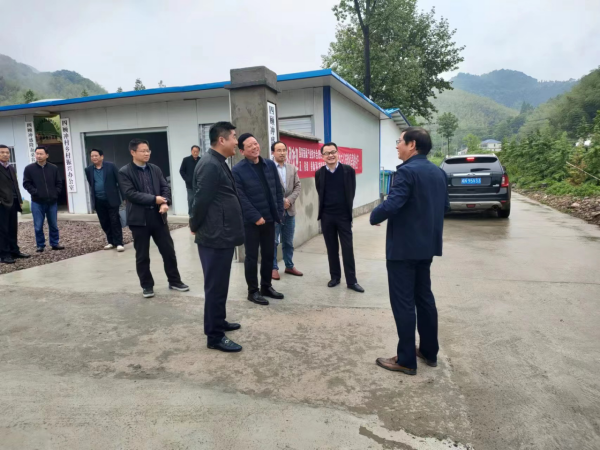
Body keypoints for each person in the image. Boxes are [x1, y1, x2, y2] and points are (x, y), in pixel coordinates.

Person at [370, 127, 449, 376]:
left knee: (403, 302)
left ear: (412, 145)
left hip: (403, 249)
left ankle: (406, 360)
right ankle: (429, 351)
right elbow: (444, 206)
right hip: (426, 247)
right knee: (424, 298)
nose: (397, 146)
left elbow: (393, 203)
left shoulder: (406, 171)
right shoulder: (438, 172)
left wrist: (374, 215)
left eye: (400, 141)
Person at [190, 122, 245, 352]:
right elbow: (200, 200)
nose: (237, 142)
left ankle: (218, 321)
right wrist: (194, 224)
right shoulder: (210, 164)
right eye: (234, 137)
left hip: (222, 234)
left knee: (221, 284)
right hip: (214, 236)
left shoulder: (218, 162)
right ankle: (214, 336)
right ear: (221, 140)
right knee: (214, 286)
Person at [118, 138, 189, 298]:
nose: (146, 153)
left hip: (158, 216)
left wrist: (164, 202)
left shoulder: (155, 169)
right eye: (143, 151)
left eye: (148, 150)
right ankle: (147, 286)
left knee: (168, 251)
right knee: (142, 255)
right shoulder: (125, 172)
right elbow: (130, 194)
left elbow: (165, 187)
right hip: (139, 219)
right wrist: (154, 199)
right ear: (133, 152)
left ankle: (175, 281)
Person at [232, 133, 284, 306]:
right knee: (251, 257)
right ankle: (253, 291)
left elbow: (278, 190)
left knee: (269, 255)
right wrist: (255, 217)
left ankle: (266, 286)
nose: (255, 147)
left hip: (269, 219)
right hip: (251, 222)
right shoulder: (237, 170)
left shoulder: (269, 164)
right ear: (242, 151)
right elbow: (240, 197)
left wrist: (278, 213)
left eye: (255, 143)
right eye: (250, 146)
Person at [315, 142, 363, 293]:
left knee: (347, 248)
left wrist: (346, 212)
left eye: (333, 152)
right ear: (322, 156)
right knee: (331, 248)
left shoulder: (348, 171)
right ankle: (335, 277)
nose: (330, 155)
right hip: (327, 216)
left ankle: (352, 281)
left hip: (343, 216)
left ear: (337, 153)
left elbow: (351, 192)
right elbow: (320, 192)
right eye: (327, 153)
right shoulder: (319, 173)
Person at [22, 145, 65, 252]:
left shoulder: (53, 168)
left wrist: (55, 193)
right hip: (37, 202)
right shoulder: (29, 169)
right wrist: (35, 193)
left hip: (52, 202)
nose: (39, 156)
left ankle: (54, 243)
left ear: (47, 155)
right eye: (37, 154)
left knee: (53, 224)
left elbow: (59, 182)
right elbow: (26, 183)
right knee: (38, 225)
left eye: (41, 154)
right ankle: (40, 245)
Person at [270, 140, 302, 280]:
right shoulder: (268, 168)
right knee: (273, 241)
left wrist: (289, 200)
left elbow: (298, 186)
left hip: (290, 211)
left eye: (284, 150)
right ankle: (273, 267)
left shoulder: (292, 168)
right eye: (279, 150)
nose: (282, 153)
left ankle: (289, 265)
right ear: (273, 152)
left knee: (288, 241)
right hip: (275, 212)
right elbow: (268, 189)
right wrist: (281, 202)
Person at [85, 149, 124, 252]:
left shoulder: (111, 166)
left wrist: (124, 197)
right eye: (92, 156)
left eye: (96, 155)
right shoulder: (88, 170)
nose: (94, 158)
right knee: (104, 222)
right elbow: (91, 183)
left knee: (114, 220)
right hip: (98, 200)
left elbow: (120, 181)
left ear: (102, 156)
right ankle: (110, 242)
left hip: (112, 199)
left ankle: (119, 243)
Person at [0, 145, 29, 264]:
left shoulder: (11, 168)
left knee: (12, 228)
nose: (5, 154)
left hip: (13, 201)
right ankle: (4, 254)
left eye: (7, 152)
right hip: (2, 203)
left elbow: (15, 185)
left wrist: (20, 200)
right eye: (2, 152)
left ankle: (14, 251)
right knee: (3, 230)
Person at [179, 145, 201, 215]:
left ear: (199, 152)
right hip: (190, 185)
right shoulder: (186, 160)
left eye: (197, 152)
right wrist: (187, 179)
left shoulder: (201, 160)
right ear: (191, 151)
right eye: (194, 151)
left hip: (199, 185)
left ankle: (198, 216)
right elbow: (181, 171)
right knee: (191, 200)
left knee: (199, 200)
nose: (195, 153)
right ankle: (191, 216)